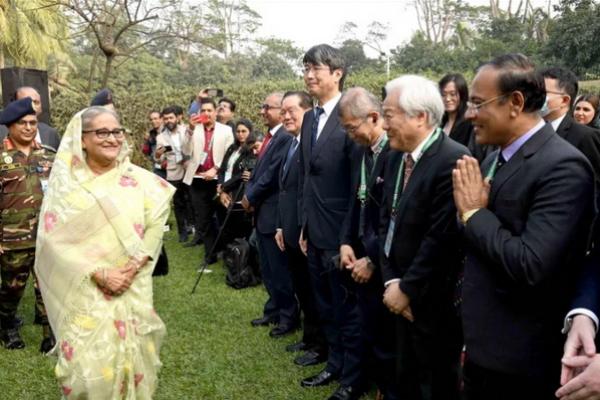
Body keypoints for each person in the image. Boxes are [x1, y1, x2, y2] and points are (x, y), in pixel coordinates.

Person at [453, 53, 595, 399]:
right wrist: (468, 216)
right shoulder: (493, 158)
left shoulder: (562, 168)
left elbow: (532, 264)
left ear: (515, 102)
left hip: (519, 361)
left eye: (477, 103)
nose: (469, 114)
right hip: (480, 344)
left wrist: (474, 214)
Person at [35, 106, 174, 399]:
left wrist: (132, 268)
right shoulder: (67, 187)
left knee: (134, 362)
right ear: (81, 139)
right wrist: (99, 273)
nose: (112, 138)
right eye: (102, 132)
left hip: (132, 286)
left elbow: (156, 219)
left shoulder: (140, 181)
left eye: (116, 132)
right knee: (86, 372)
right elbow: (52, 241)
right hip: (87, 292)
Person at [379, 76, 467, 399]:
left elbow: (440, 239)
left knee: (434, 382)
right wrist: (391, 282)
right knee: (403, 376)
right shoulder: (394, 156)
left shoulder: (452, 160)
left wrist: (408, 289)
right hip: (396, 292)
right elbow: (384, 221)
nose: (384, 124)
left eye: (389, 115)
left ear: (420, 117)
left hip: (431, 301)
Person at [297, 44, 364, 400]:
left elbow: (357, 186)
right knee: (325, 305)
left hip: (342, 235)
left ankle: (353, 377)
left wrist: (348, 237)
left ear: (337, 73)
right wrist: (305, 226)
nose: (309, 74)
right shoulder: (309, 118)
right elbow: (309, 177)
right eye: (305, 67)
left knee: (347, 308)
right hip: (315, 232)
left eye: (316, 68)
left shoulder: (350, 114)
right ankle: (334, 363)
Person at [337, 87, 397, 398]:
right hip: (358, 255)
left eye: (351, 128)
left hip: (385, 263)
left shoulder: (396, 152)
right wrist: (346, 241)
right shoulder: (363, 151)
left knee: (386, 337)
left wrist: (372, 259)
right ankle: (361, 382)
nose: (349, 136)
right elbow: (355, 200)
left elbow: (394, 218)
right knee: (361, 326)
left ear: (373, 117)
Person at [275, 91, 327, 366]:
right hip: (291, 231)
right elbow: (286, 190)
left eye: (291, 110)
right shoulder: (290, 144)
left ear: (308, 112)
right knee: (303, 289)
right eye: (282, 111)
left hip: (308, 233)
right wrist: (282, 226)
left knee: (314, 292)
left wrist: (303, 228)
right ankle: (309, 338)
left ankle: (320, 346)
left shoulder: (310, 147)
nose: (286, 116)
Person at [0, 97, 56, 352]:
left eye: (33, 122)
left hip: (47, 237)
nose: (28, 127)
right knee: (13, 289)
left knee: (47, 287)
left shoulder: (49, 156)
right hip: (12, 238)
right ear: (10, 126)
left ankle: (50, 335)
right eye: (22, 122)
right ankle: (7, 325)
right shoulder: (1, 158)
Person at [243, 92, 299, 338]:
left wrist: (250, 196)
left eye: (268, 107)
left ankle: (288, 316)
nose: (263, 111)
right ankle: (273, 309)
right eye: (262, 106)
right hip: (263, 213)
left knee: (279, 270)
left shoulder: (285, 137)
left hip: (275, 212)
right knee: (267, 267)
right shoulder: (269, 137)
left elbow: (271, 175)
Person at [182, 97, 233, 262]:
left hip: (218, 180)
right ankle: (210, 254)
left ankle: (226, 251)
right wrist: (190, 129)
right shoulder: (193, 129)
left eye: (209, 110)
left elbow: (229, 153)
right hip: (197, 179)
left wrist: (216, 168)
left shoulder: (225, 130)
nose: (206, 113)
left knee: (222, 216)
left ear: (215, 112)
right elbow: (185, 151)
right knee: (203, 219)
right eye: (203, 111)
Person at [540, 67, 600, 183]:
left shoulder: (586, 136)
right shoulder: (531, 131)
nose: (536, 97)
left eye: (543, 93)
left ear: (565, 100)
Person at [217, 118, 256, 244]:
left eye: (244, 131)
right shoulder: (232, 148)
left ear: (250, 132)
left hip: (238, 191)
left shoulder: (252, 151)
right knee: (225, 225)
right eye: (238, 131)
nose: (240, 134)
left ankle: (240, 255)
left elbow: (242, 174)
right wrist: (220, 185)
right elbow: (223, 168)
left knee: (239, 227)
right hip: (225, 189)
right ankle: (229, 252)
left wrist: (224, 187)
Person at [154, 106, 190, 243]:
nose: (169, 120)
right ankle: (183, 232)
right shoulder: (161, 137)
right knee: (179, 203)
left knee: (192, 201)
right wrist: (158, 154)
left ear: (177, 118)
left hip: (190, 170)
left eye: (171, 117)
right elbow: (159, 159)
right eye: (166, 118)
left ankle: (197, 229)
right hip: (174, 173)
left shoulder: (187, 130)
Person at [439, 73, 493, 162]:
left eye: (452, 94)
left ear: (462, 95)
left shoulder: (470, 123)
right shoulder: (440, 123)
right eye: (444, 94)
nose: (447, 99)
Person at [0, 86, 62, 151]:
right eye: (25, 102)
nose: (31, 106)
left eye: (36, 102)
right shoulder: (2, 131)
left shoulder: (51, 133)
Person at [143, 110, 165, 179]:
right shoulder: (151, 133)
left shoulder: (168, 132)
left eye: (155, 119)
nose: (153, 121)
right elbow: (147, 153)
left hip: (170, 169)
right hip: (157, 167)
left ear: (161, 119)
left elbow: (173, 148)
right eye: (151, 119)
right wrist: (146, 143)